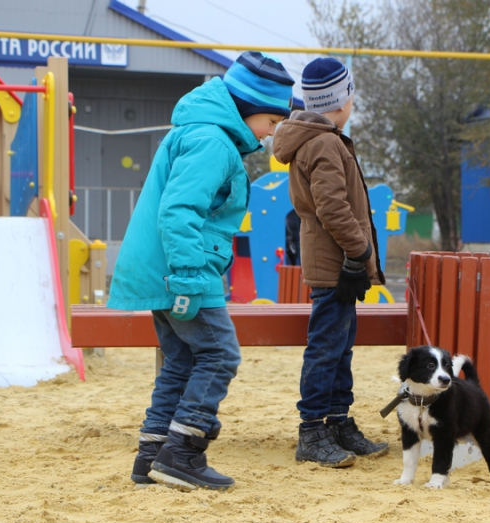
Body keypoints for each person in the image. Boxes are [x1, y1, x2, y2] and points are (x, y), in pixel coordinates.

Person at [108, 51, 295, 491]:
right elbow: (178, 211)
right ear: (248, 108)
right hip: (183, 271)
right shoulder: (212, 141)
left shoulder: (199, 131)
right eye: (270, 122)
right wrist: (190, 278)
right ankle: (183, 453)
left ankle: (151, 456)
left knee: (183, 359)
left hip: (162, 268)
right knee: (220, 354)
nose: (270, 134)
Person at [272, 57, 389, 467]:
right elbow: (333, 208)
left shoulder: (326, 138)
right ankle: (312, 430)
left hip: (339, 260)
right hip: (334, 262)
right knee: (326, 347)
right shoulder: (323, 142)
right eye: (351, 94)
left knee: (341, 347)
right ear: (342, 99)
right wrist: (359, 253)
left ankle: (338, 421)